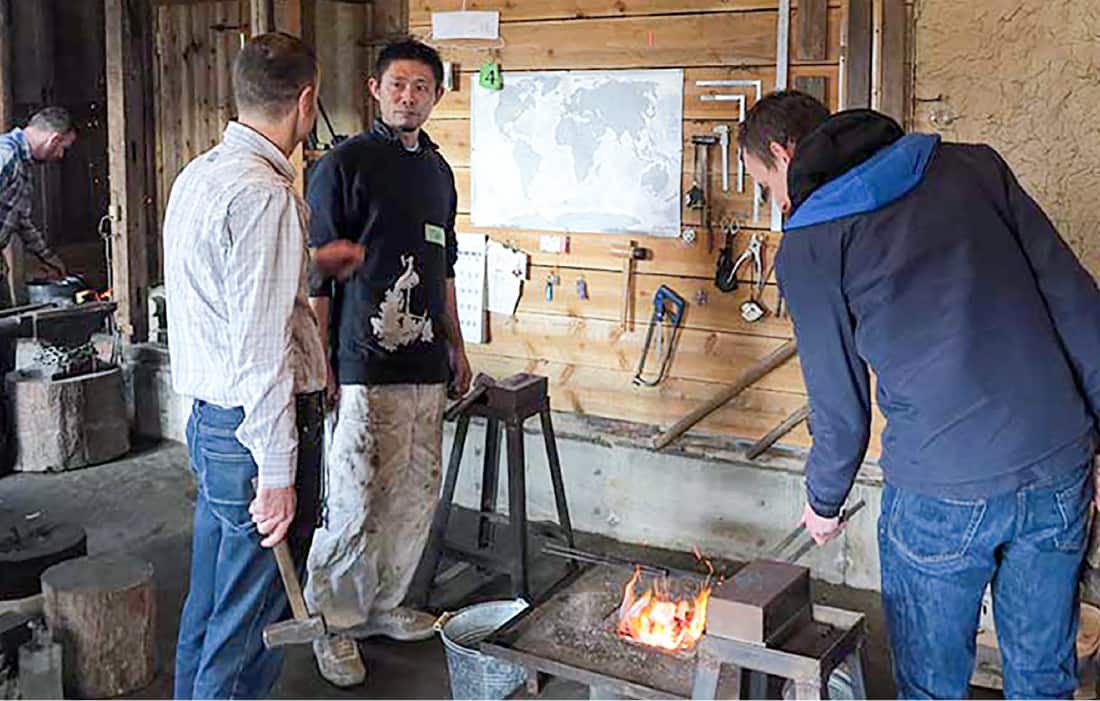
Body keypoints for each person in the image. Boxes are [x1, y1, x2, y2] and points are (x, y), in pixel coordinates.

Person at [740, 90, 1100, 699]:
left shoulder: (810, 244)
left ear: (783, 153)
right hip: (1058, 467)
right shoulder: (973, 167)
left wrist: (823, 502)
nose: (777, 203)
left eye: (766, 185)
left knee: (932, 687)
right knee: (1043, 679)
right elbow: (1078, 306)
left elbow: (841, 409)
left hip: (942, 490)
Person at [163, 32, 361, 699]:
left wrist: (309, 265)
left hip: (213, 427)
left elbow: (228, 290)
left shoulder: (202, 174)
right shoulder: (265, 196)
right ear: (307, 102)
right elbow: (260, 353)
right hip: (255, 439)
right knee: (249, 632)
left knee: (211, 607)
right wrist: (278, 475)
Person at [304, 38, 472, 687]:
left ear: (436, 95)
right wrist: (320, 358)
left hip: (425, 363)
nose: (409, 97)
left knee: (414, 489)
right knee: (355, 495)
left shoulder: (438, 172)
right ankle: (334, 623)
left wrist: (457, 342)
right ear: (375, 89)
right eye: (398, 85)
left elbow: (445, 265)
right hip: (360, 363)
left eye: (422, 88)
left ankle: (384, 602)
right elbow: (320, 276)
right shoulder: (343, 164)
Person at [0, 107, 72, 372]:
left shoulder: (22, 165)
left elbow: (21, 220)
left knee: (5, 345)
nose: (60, 155)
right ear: (53, 139)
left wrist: (48, 257)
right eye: (62, 147)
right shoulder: (5, 156)